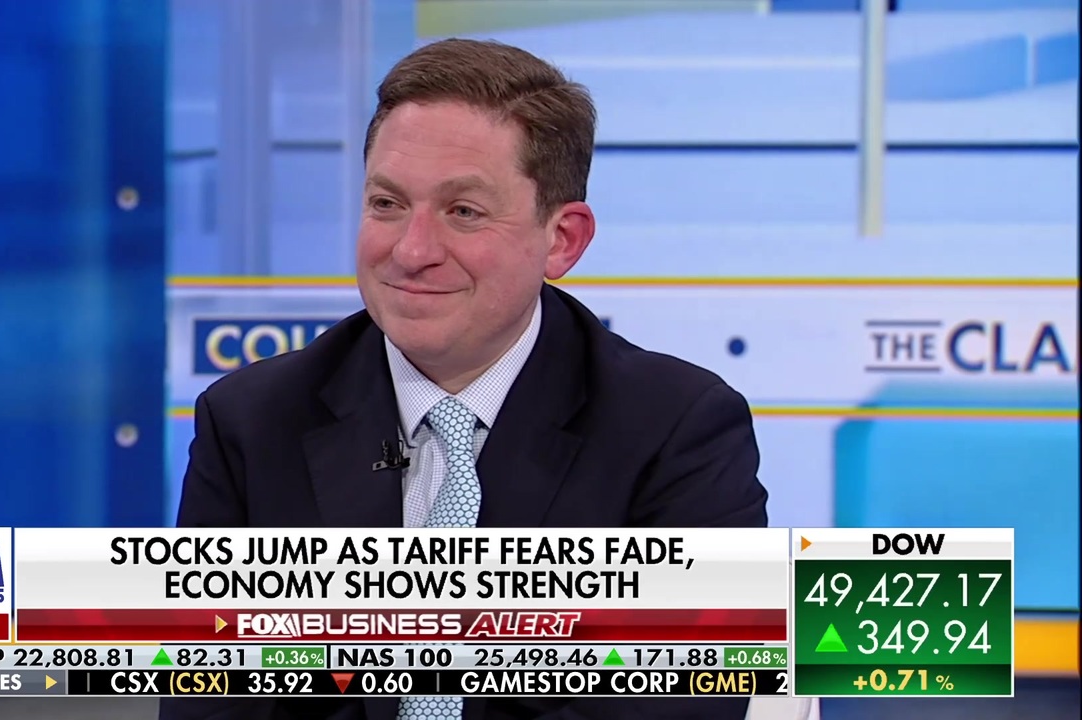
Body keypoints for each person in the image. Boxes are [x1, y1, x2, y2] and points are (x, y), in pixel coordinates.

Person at [162, 38, 767, 720]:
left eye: (464, 212)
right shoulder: (251, 422)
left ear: (562, 239)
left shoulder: (676, 429)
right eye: (387, 203)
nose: (412, 250)